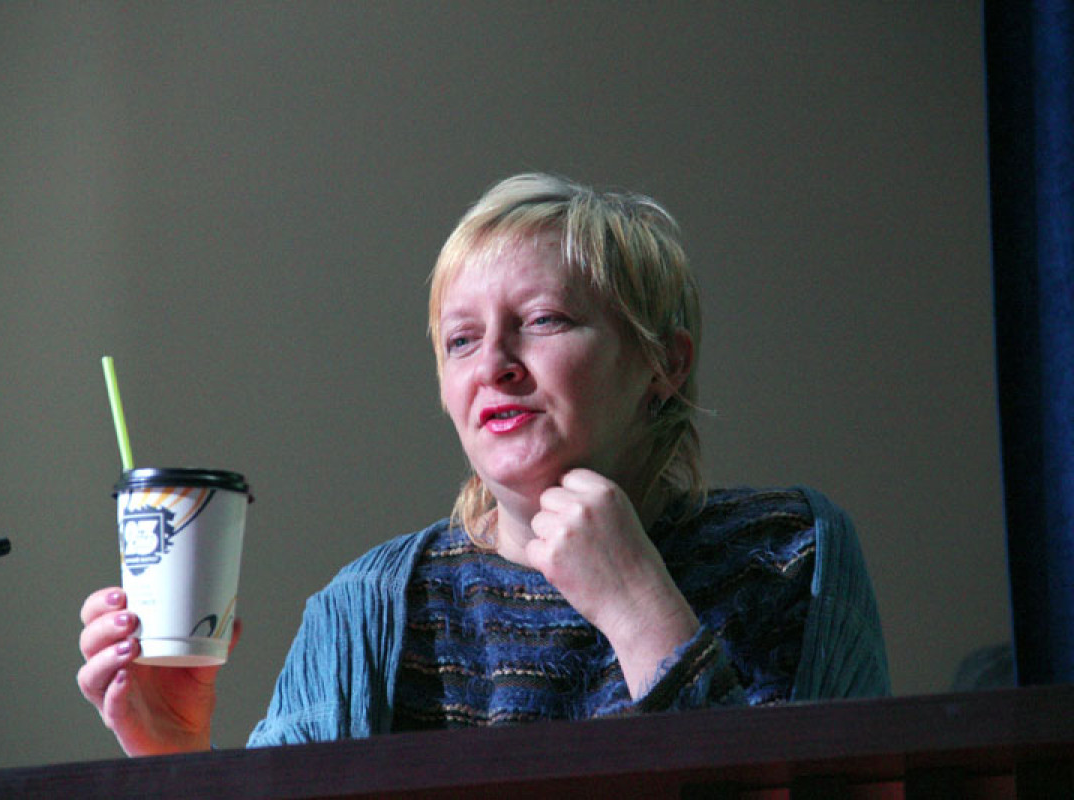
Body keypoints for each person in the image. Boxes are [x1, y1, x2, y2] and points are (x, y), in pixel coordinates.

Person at [78, 173, 890, 755]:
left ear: (663, 365)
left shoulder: (793, 552)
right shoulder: (368, 607)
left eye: (543, 319)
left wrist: (643, 614)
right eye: (461, 339)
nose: (494, 364)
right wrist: (177, 759)